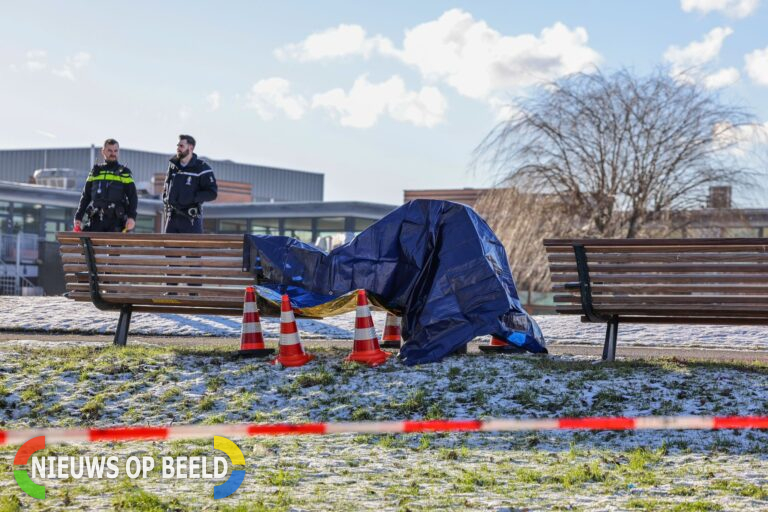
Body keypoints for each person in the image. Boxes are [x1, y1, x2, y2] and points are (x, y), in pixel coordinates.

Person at [74, 139, 138, 232]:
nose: (113, 153)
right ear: (103, 151)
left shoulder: (124, 172)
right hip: (96, 220)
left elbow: (133, 197)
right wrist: (78, 217)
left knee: (113, 246)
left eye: (115, 151)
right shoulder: (95, 172)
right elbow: (86, 196)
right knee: (86, 244)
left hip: (116, 222)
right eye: (110, 150)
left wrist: (132, 217)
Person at [162, 134, 218, 233]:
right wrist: (166, 198)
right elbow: (166, 186)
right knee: (168, 248)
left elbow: (212, 193)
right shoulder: (173, 166)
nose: (178, 148)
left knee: (192, 248)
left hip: (191, 220)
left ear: (191, 147)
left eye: (181, 146)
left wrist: (193, 197)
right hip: (172, 218)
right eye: (178, 146)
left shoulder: (202, 168)